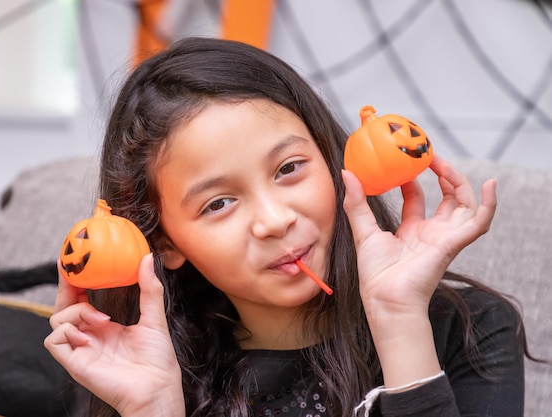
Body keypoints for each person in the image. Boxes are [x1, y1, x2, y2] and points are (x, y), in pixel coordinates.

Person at [44, 37, 532, 417]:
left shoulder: (471, 330)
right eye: (218, 203)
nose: (275, 220)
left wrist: (399, 320)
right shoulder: (149, 371)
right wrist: (153, 408)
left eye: (288, 169)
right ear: (164, 242)